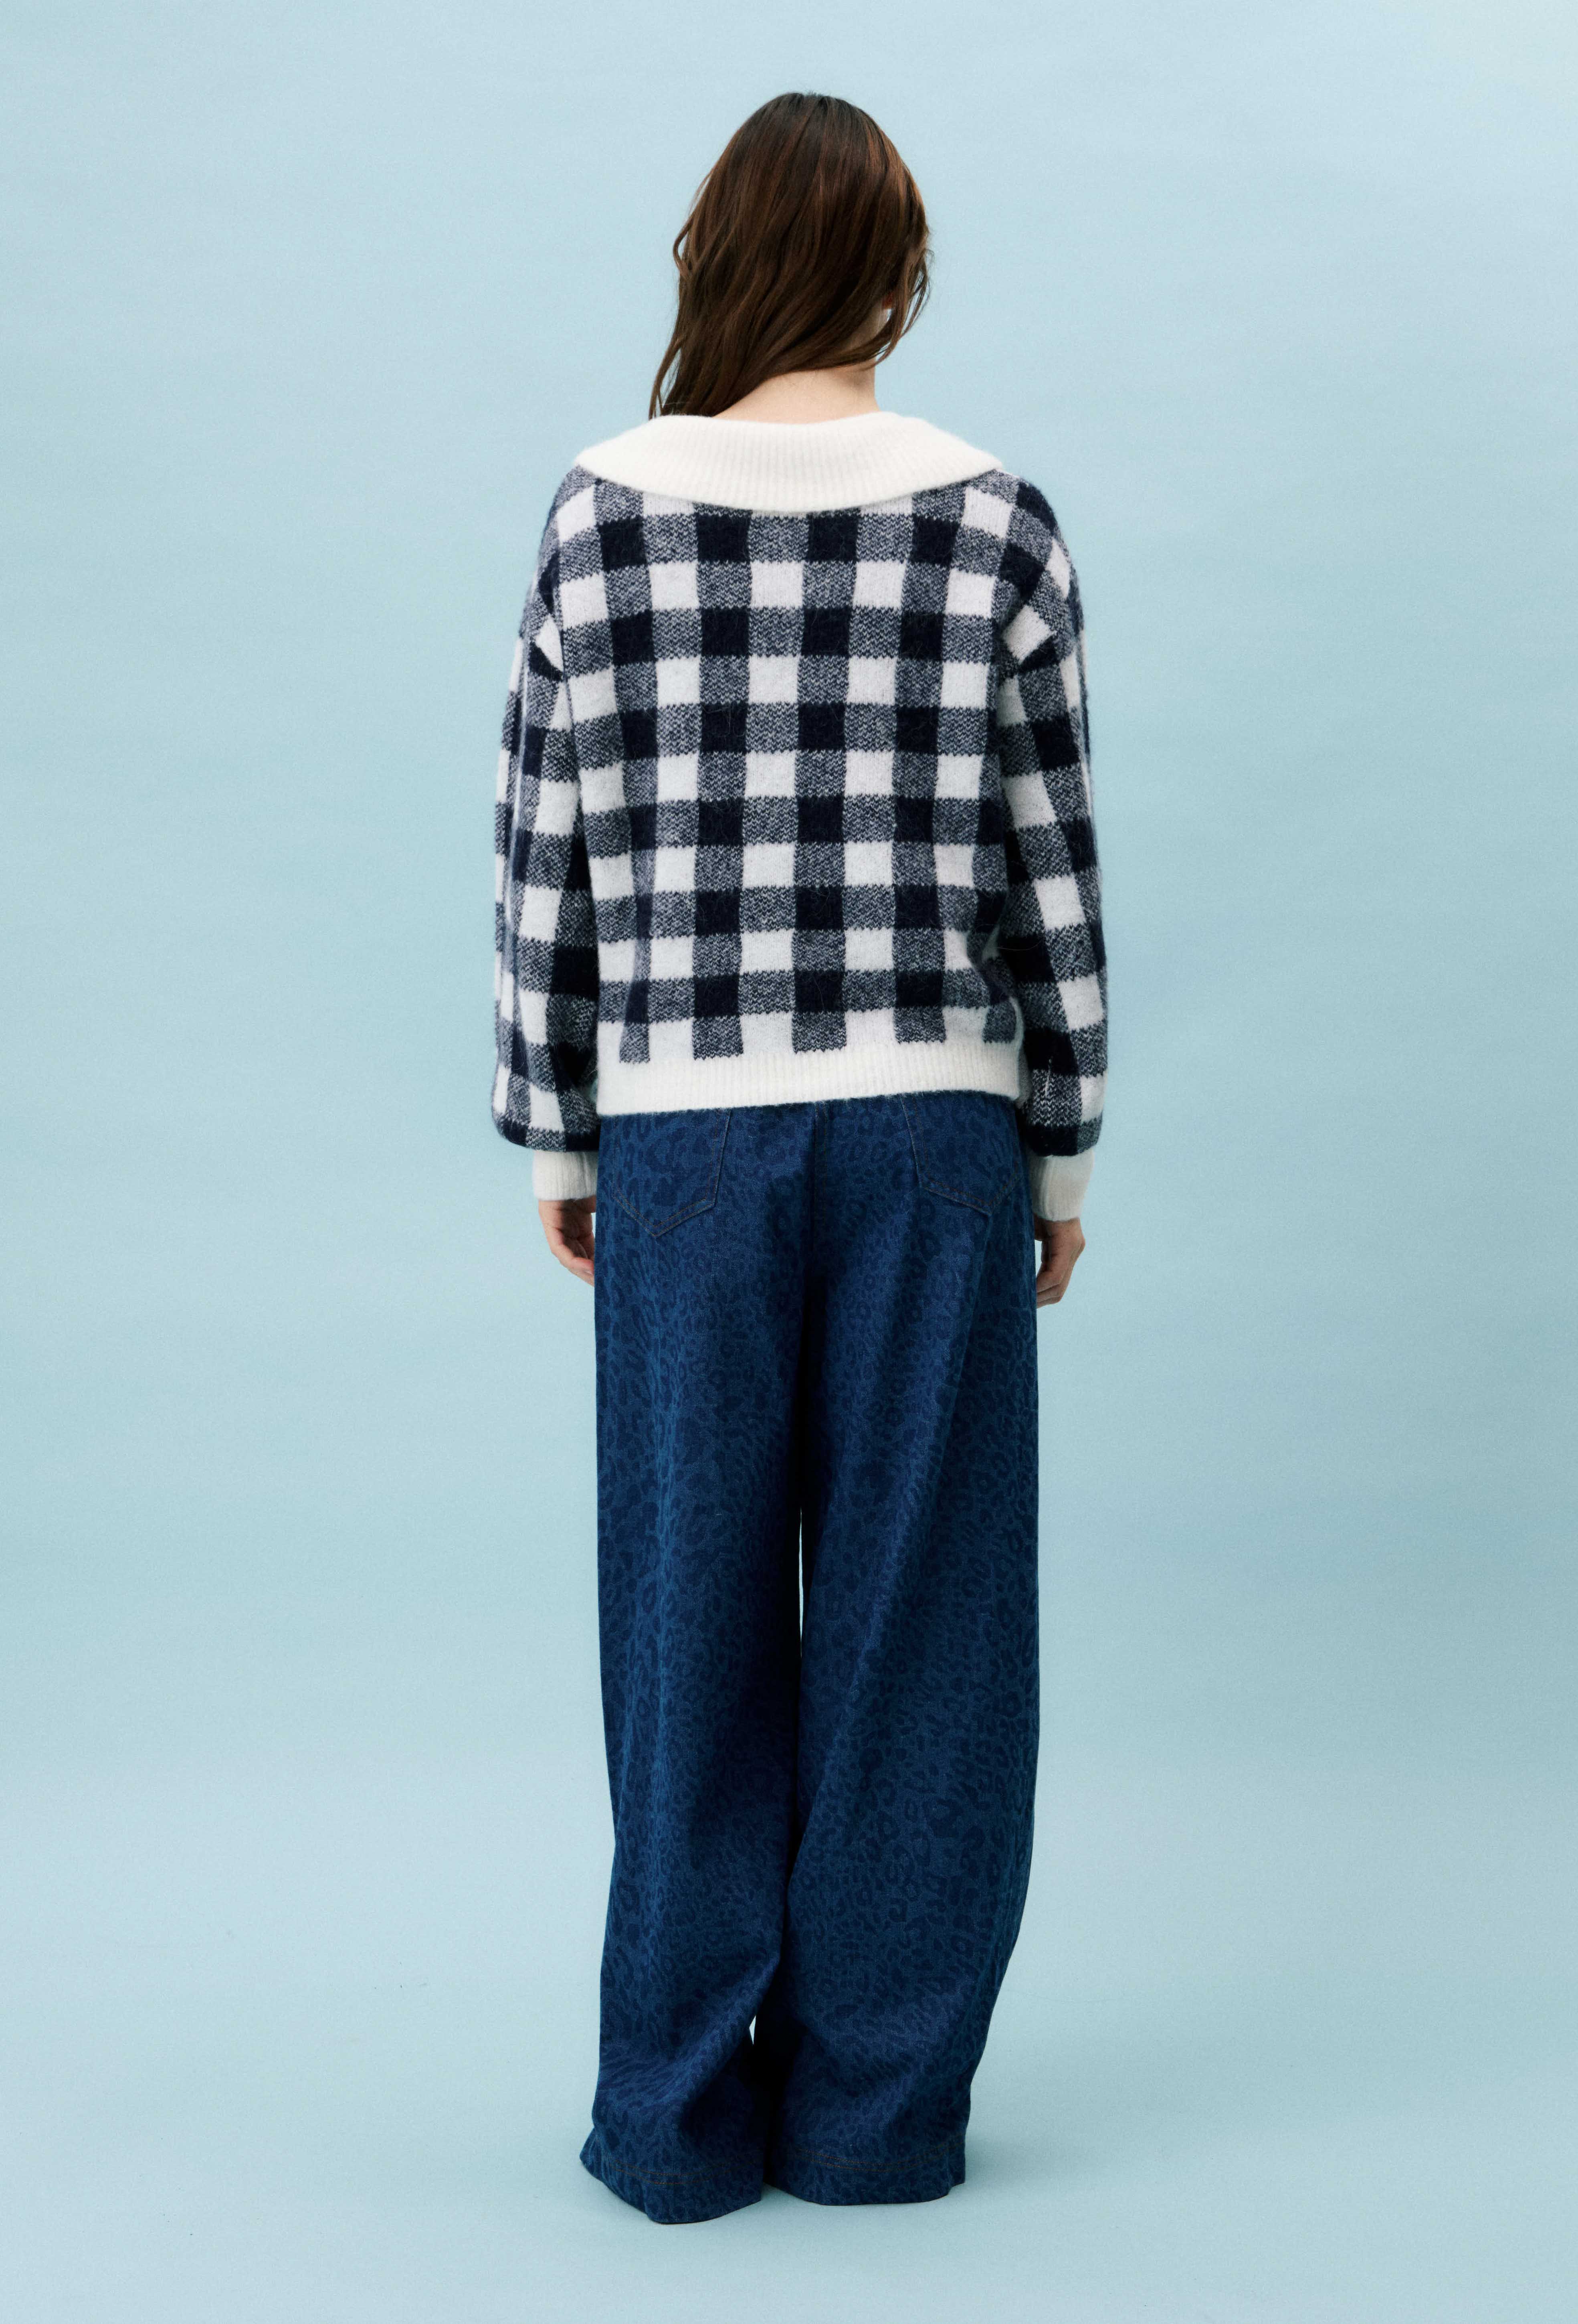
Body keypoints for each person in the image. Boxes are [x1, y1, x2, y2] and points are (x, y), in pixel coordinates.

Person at [491, 91, 1107, 2224]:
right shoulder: (999, 520)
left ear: (717, 253)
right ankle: (873, 2116)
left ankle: (675, 2123)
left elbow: (546, 852)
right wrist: (1062, 1152)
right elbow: (1050, 867)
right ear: (895, 272)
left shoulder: (599, 513)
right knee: (926, 1627)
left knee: (687, 1623)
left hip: (680, 1133)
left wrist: (556, 1123)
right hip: (938, 1129)